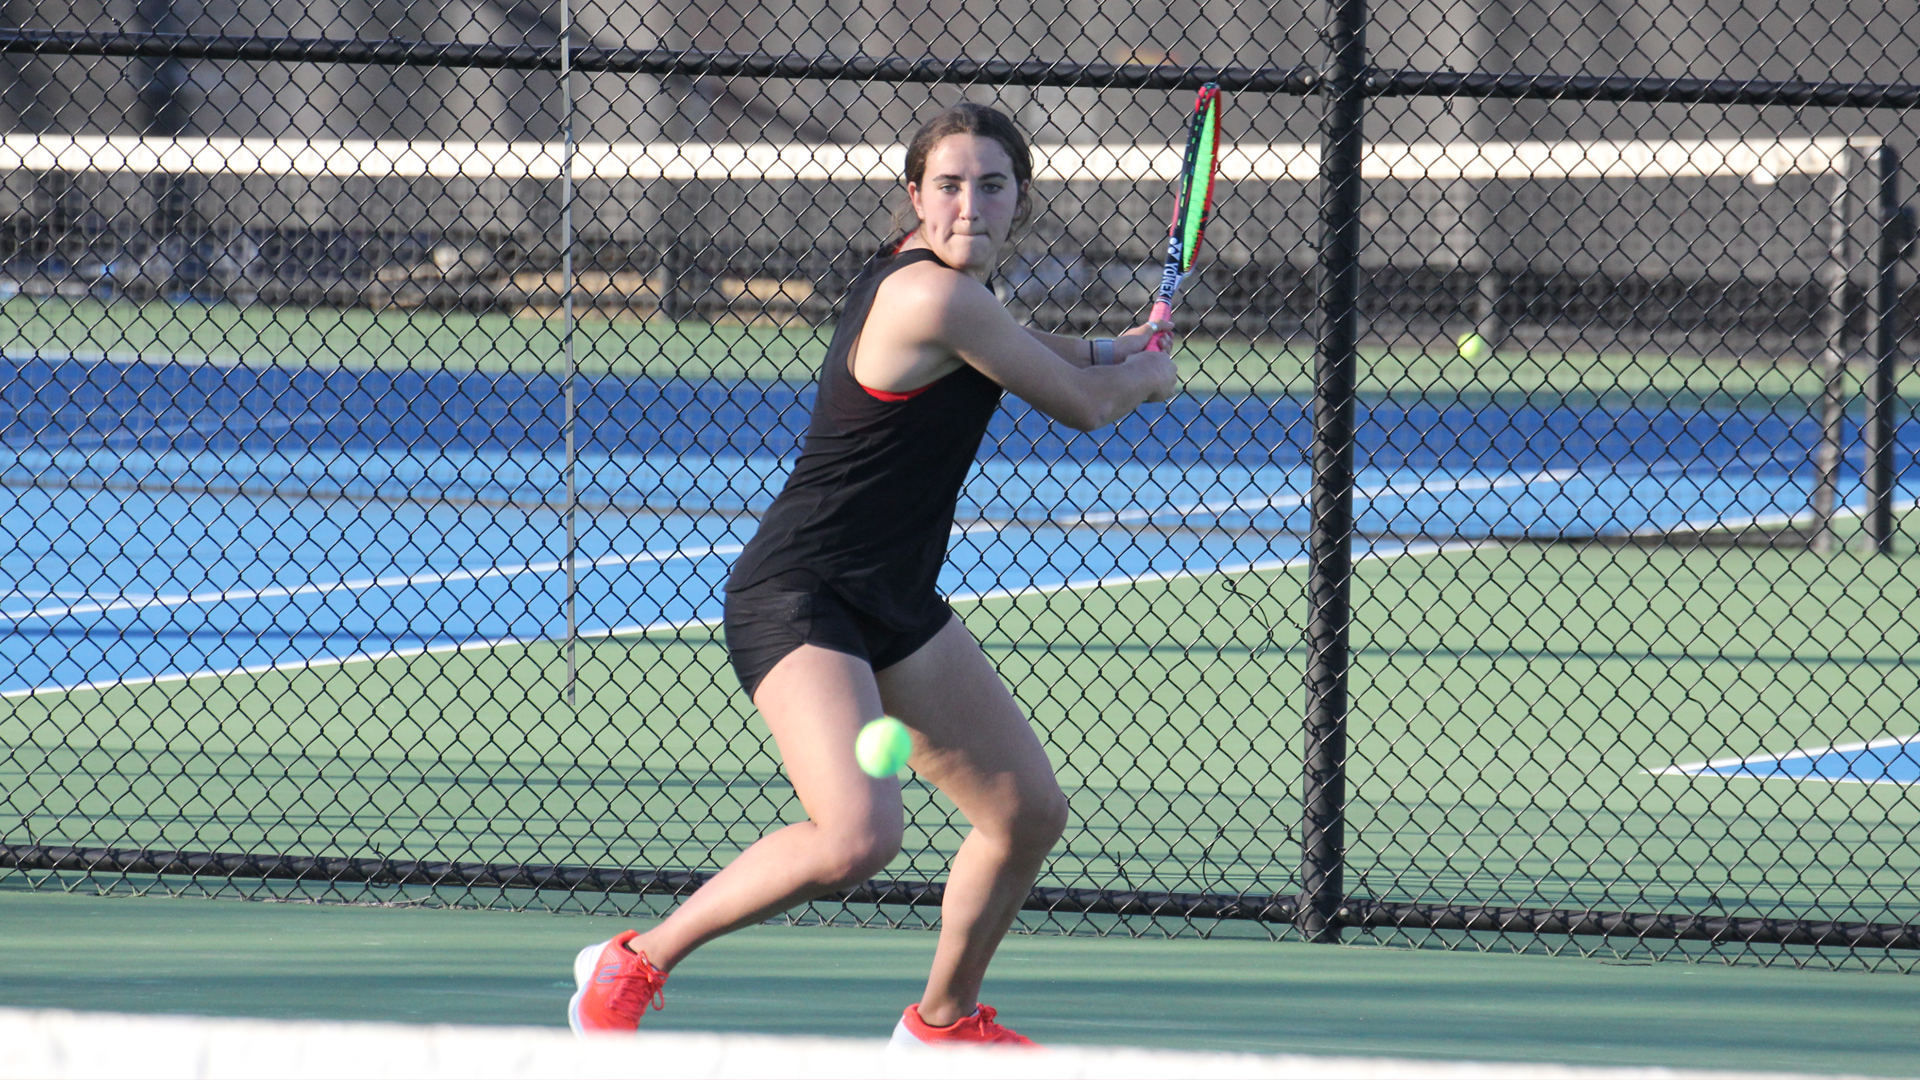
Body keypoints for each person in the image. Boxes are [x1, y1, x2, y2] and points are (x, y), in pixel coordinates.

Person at [568, 102, 1178, 1048]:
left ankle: (941, 1024)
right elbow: (1083, 408)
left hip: (891, 595)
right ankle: (634, 961)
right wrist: (1139, 377)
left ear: (1020, 199)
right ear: (915, 196)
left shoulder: (955, 294)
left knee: (1023, 812)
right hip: (801, 593)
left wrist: (1114, 347)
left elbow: (1016, 348)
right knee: (857, 839)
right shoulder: (929, 294)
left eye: (991, 185)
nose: (968, 203)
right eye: (948, 184)